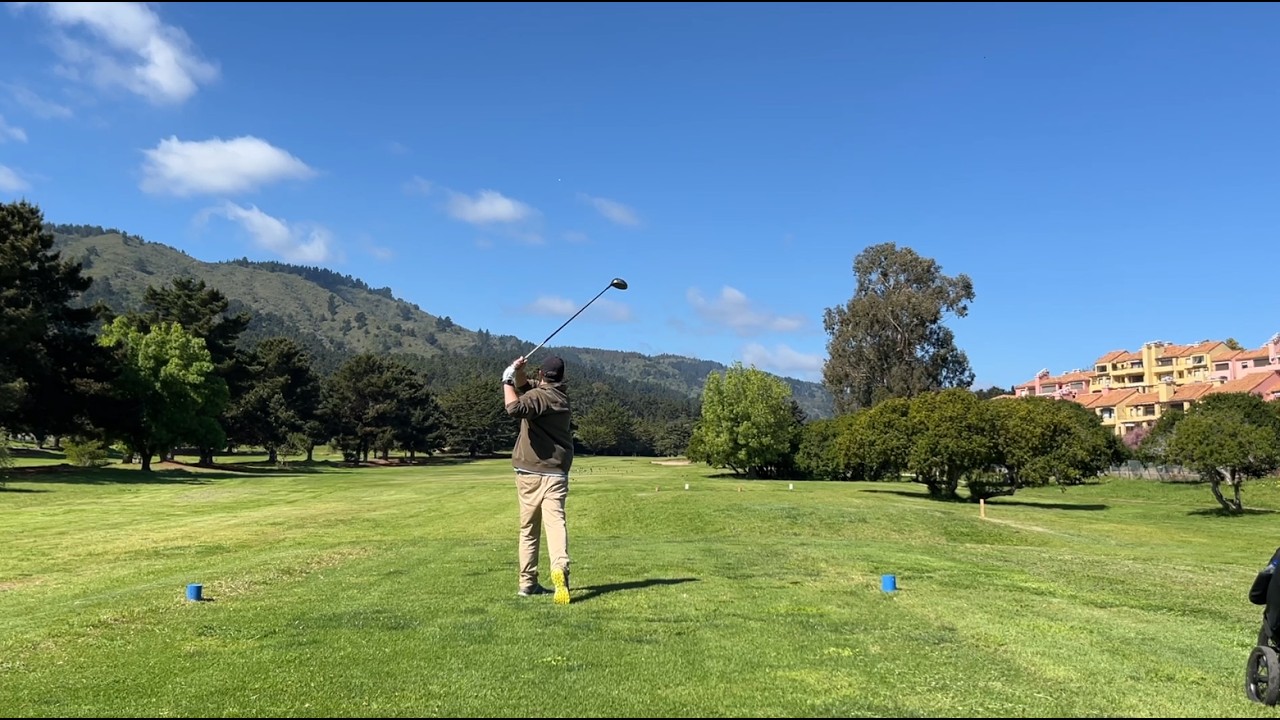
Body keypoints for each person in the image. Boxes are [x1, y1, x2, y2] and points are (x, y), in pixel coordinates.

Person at [502, 354, 574, 604]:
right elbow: (527, 387)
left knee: (529, 530)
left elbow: (513, 407)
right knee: (556, 524)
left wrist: (506, 380)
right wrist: (519, 373)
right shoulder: (559, 396)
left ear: (542, 374)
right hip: (556, 472)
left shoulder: (538, 398)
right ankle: (560, 569)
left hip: (529, 472)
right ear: (561, 377)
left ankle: (527, 582)